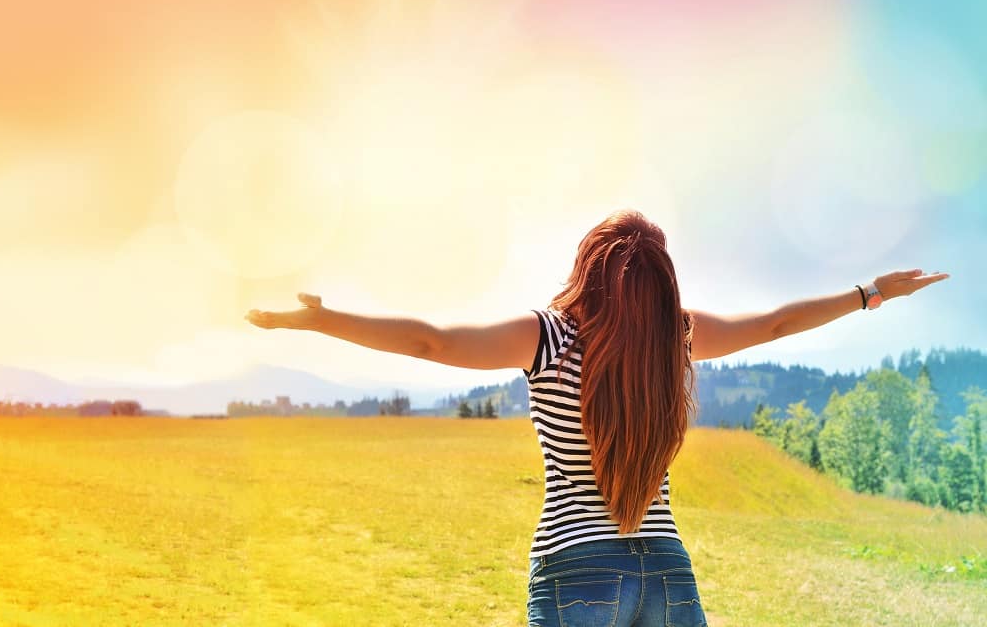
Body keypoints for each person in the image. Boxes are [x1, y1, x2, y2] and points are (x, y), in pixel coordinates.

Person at [244, 208, 949, 627]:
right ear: (660, 284)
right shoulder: (680, 335)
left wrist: (323, 320)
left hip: (575, 566)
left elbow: (432, 340)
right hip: (667, 567)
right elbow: (771, 325)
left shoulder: (549, 335)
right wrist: (867, 293)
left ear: (588, 266)